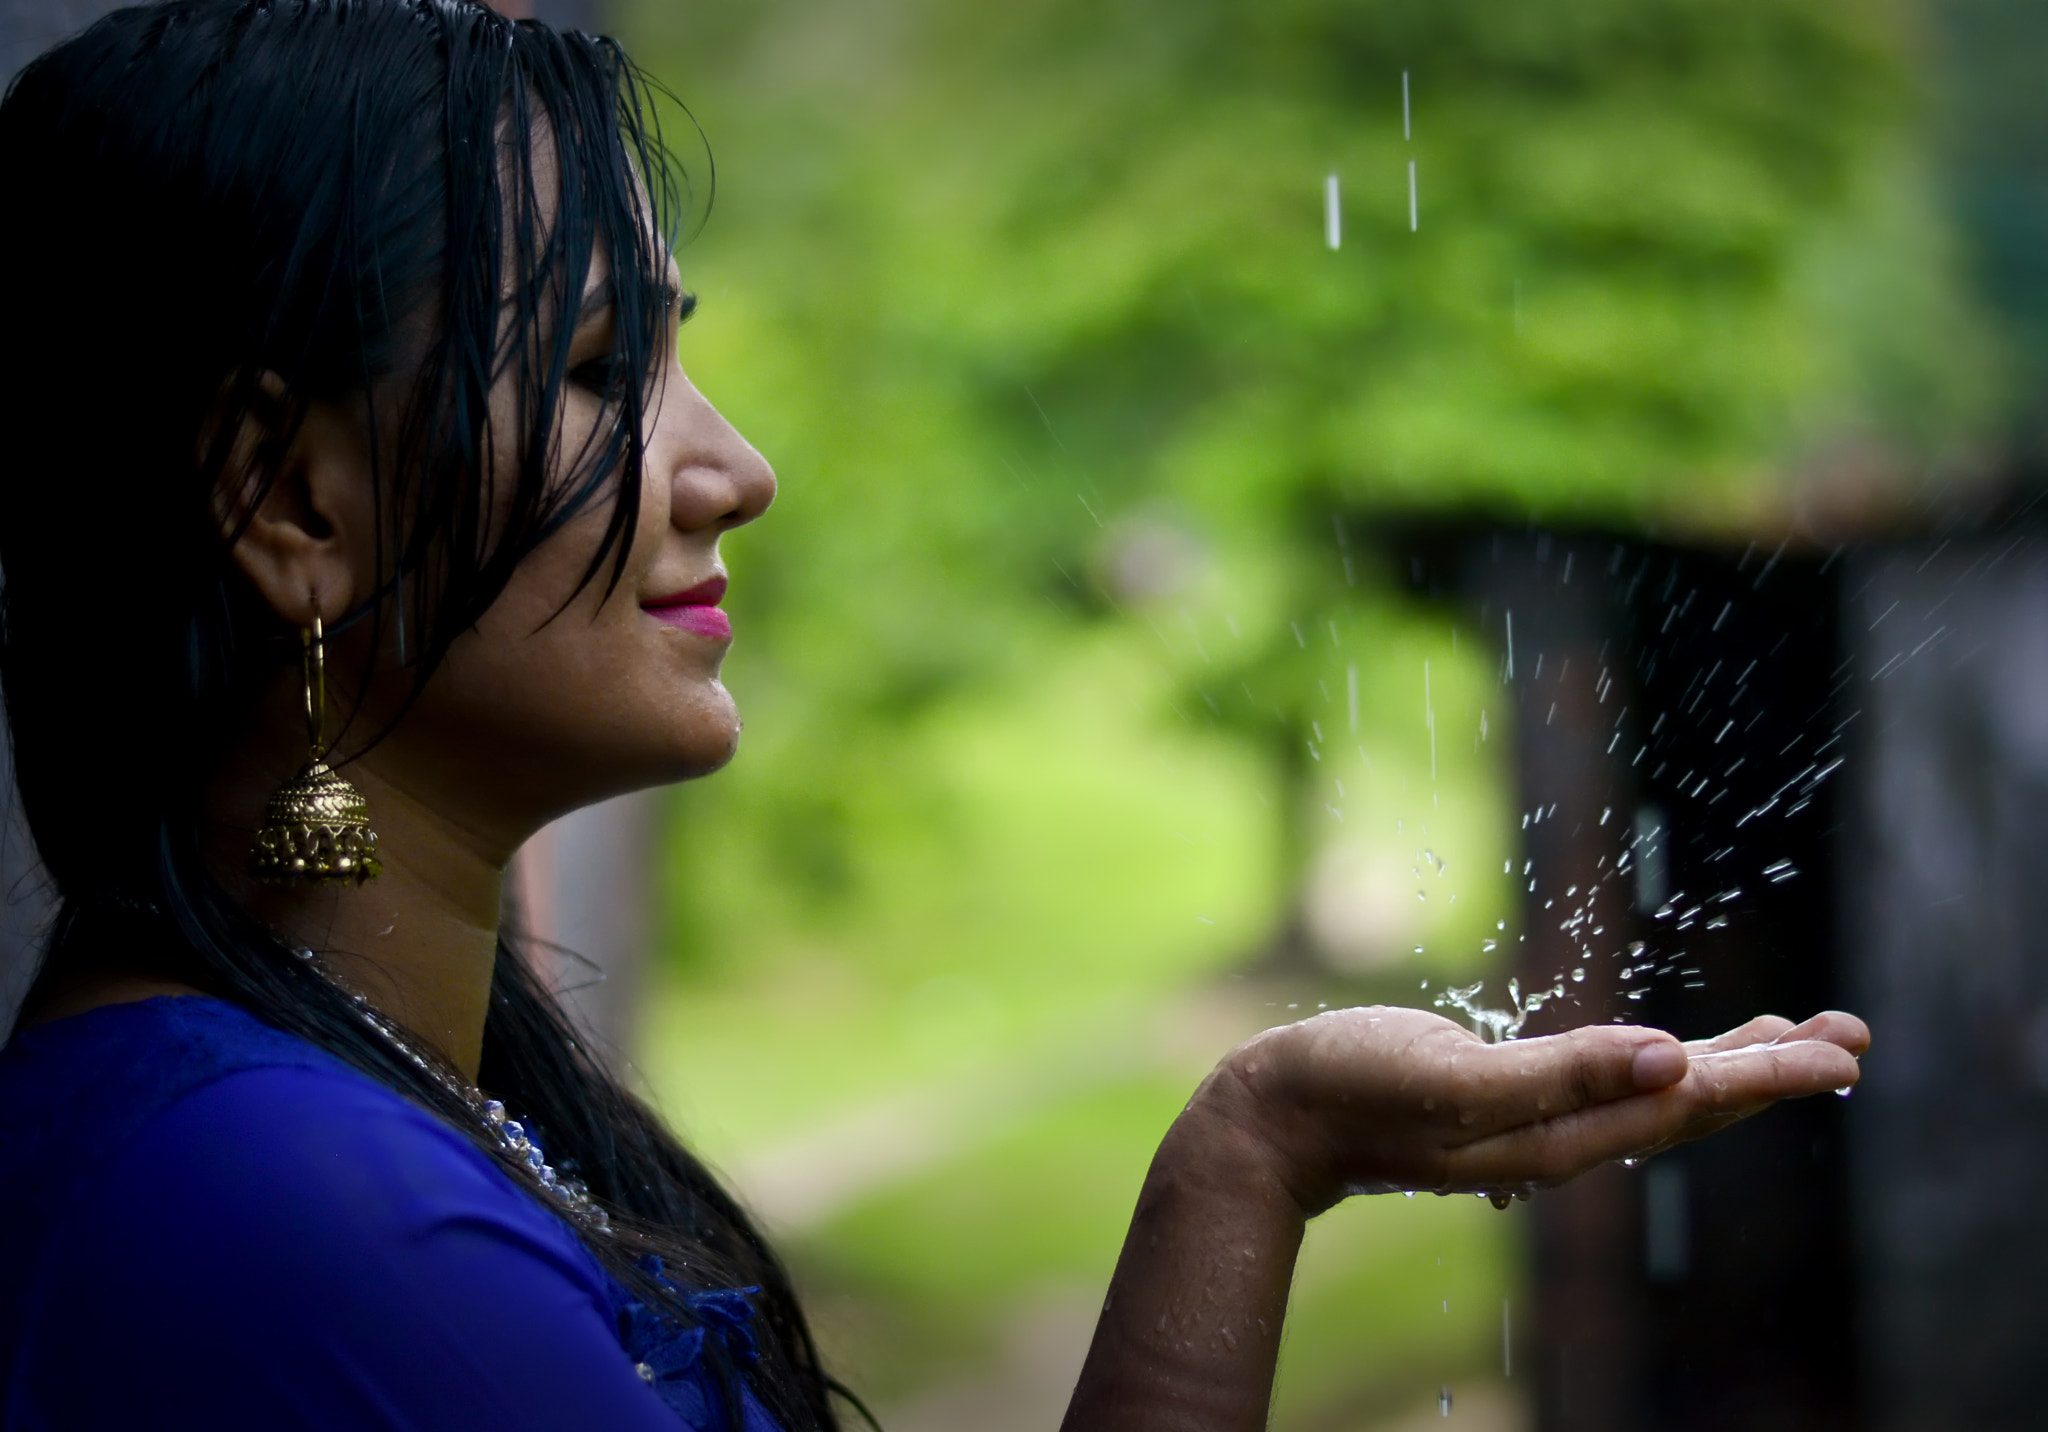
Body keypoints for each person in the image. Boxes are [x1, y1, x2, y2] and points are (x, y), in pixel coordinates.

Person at [0, 2, 1870, 1428]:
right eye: (590, 374)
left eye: (676, 354)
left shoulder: (333, 1114)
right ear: (291, 504)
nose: (736, 465)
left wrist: (1255, 1152)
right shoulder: (297, 1223)